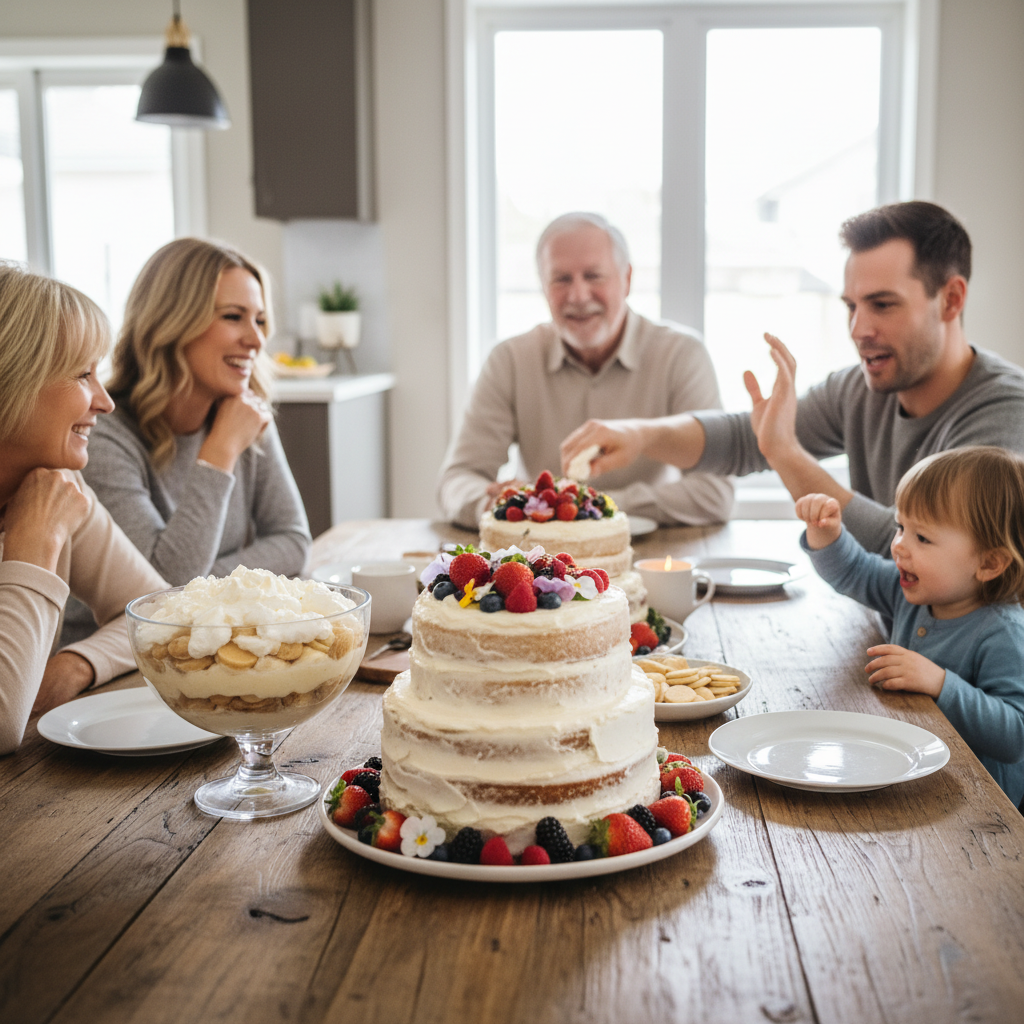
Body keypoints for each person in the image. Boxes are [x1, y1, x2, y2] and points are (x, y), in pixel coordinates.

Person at [561, 201, 1024, 554]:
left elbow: (920, 550)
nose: (859, 329)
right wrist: (639, 435)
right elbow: (744, 439)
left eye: (883, 304)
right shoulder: (859, 389)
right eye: (851, 306)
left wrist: (784, 452)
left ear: (951, 300)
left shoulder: (1003, 414)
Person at [61, 238, 311, 646]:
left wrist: (207, 584)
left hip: (198, 646)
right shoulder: (104, 434)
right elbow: (159, 598)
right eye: (234, 317)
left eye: (260, 320)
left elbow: (293, 541)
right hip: (111, 667)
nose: (256, 340)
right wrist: (219, 454)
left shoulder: (243, 413)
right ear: (172, 323)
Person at [436, 212, 734, 528]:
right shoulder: (509, 360)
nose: (578, 296)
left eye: (593, 276)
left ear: (627, 279)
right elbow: (457, 481)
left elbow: (714, 493)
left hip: (647, 554)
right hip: (536, 559)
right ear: (543, 287)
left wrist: (581, 507)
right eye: (561, 279)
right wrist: (495, 503)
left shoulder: (681, 355)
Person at [0, 263, 168, 754]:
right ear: (12, 380)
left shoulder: (54, 488)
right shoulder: (48, 510)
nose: (104, 401)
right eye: (82, 375)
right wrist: (36, 543)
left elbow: (160, 611)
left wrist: (81, 662)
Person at [795, 446, 1024, 806]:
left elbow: (1015, 736)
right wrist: (826, 533)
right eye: (901, 527)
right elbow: (855, 571)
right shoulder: (914, 591)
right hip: (911, 774)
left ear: (989, 563)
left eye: (922, 537)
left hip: (976, 805)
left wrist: (940, 683)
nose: (899, 545)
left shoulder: (1004, 632)